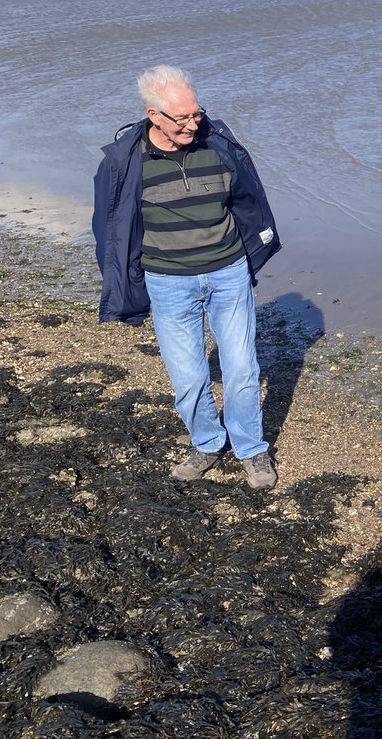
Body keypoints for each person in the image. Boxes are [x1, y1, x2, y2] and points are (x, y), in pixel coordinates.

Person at [93, 65, 282, 490]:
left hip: (229, 273)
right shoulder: (125, 161)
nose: (192, 124)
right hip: (168, 282)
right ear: (153, 115)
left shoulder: (218, 144)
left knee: (242, 369)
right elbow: (110, 229)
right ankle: (207, 443)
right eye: (181, 118)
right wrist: (124, 286)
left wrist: (256, 250)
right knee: (189, 377)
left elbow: (248, 201)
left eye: (195, 114)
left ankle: (252, 450)